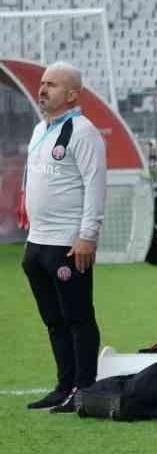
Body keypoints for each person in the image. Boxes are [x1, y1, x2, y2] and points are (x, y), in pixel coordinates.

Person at [20, 62, 106, 413]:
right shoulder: (41, 128)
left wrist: (87, 235)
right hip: (37, 242)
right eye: (42, 83)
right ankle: (63, 385)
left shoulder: (83, 132)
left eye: (52, 85)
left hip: (67, 242)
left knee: (78, 317)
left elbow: (95, 185)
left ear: (72, 94)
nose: (43, 89)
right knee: (54, 320)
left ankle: (84, 389)